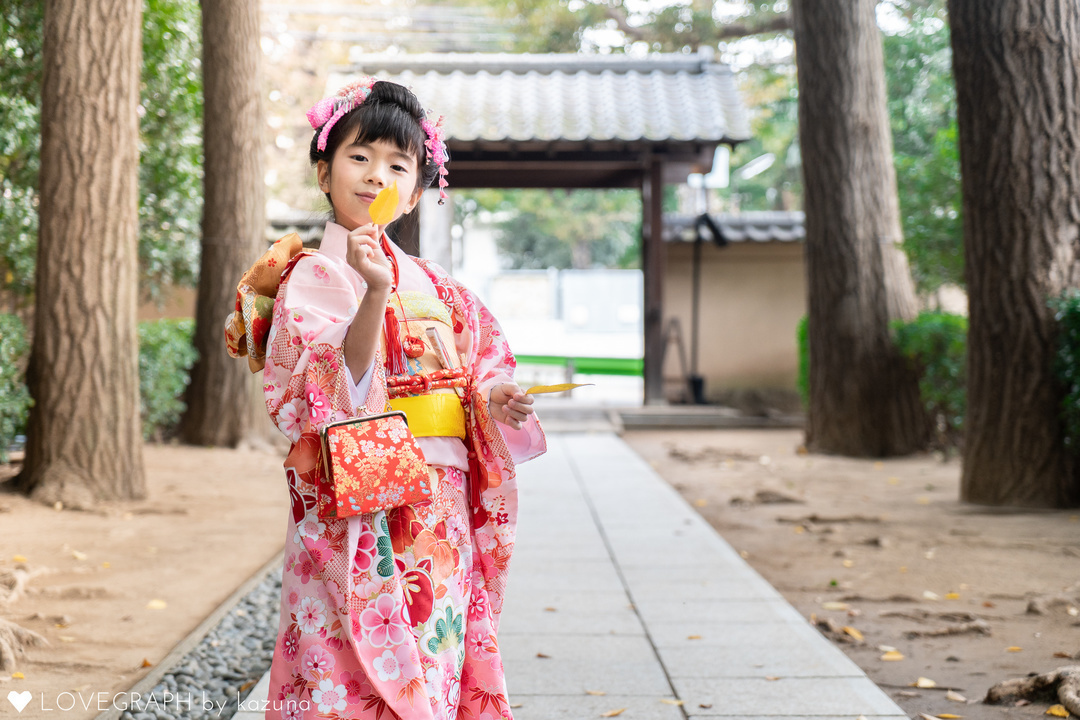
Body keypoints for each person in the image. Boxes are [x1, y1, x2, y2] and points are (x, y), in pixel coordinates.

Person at [228, 78, 546, 720]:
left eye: (398, 165)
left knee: (434, 651)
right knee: (342, 666)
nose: (378, 177)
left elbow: (479, 367)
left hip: (440, 504)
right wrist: (372, 293)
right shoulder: (313, 275)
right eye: (360, 156)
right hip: (355, 507)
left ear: (418, 190)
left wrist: (495, 398)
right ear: (324, 172)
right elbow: (325, 391)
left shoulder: (440, 288)